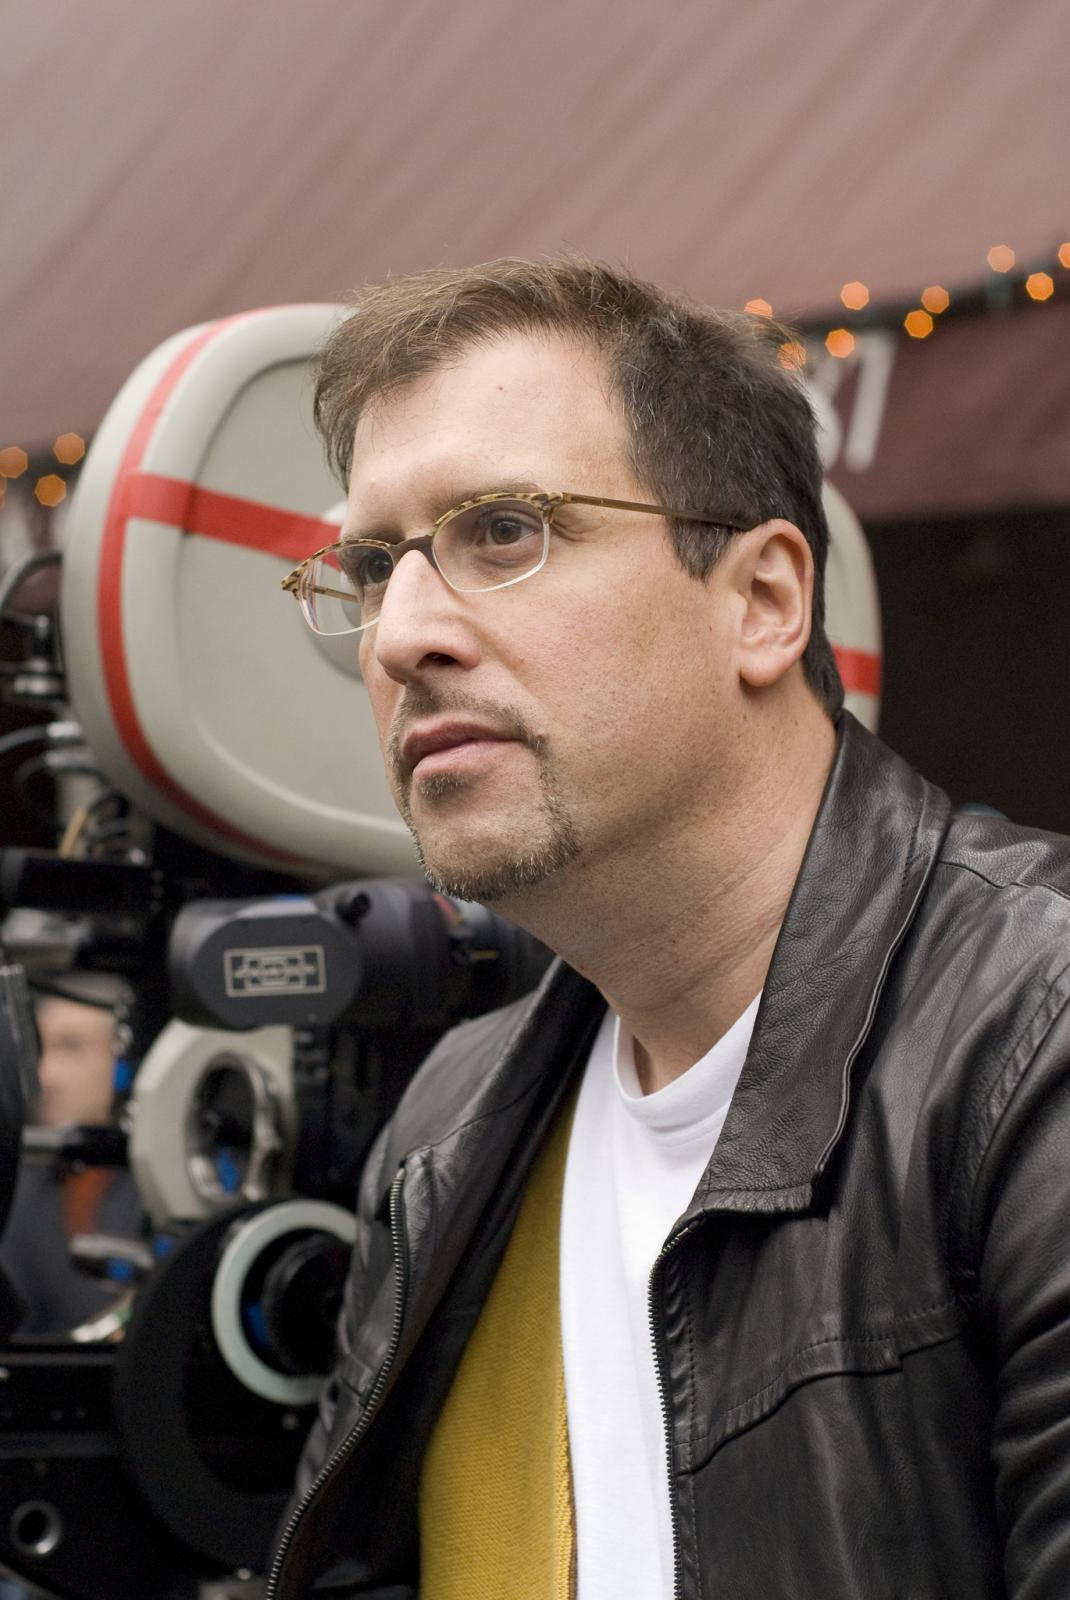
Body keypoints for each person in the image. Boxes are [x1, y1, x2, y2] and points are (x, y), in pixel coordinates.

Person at [269, 260, 1070, 1600]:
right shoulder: (447, 1131)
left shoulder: (1032, 1039)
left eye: (503, 531)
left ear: (761, 600)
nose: (402, 635)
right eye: (368, 565)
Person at [0, 988, 142, 1336]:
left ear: (125, 1059)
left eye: (71, 1047)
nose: (46, 1076)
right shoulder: (17, 1187)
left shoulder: (175, 1186)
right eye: (40, 1051)